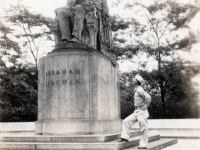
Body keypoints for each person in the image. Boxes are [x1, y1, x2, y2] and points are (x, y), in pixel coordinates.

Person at [118, 75, 151, 149]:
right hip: (136, 111)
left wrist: (145, 106)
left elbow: (148, 98)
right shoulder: (136, 89)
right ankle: (125, 137)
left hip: (141, 112)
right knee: (126, 121)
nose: (133, 80)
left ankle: (143, 145)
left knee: (143, 128)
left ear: (137, 81)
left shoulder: (140, 90)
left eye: (134, 79)